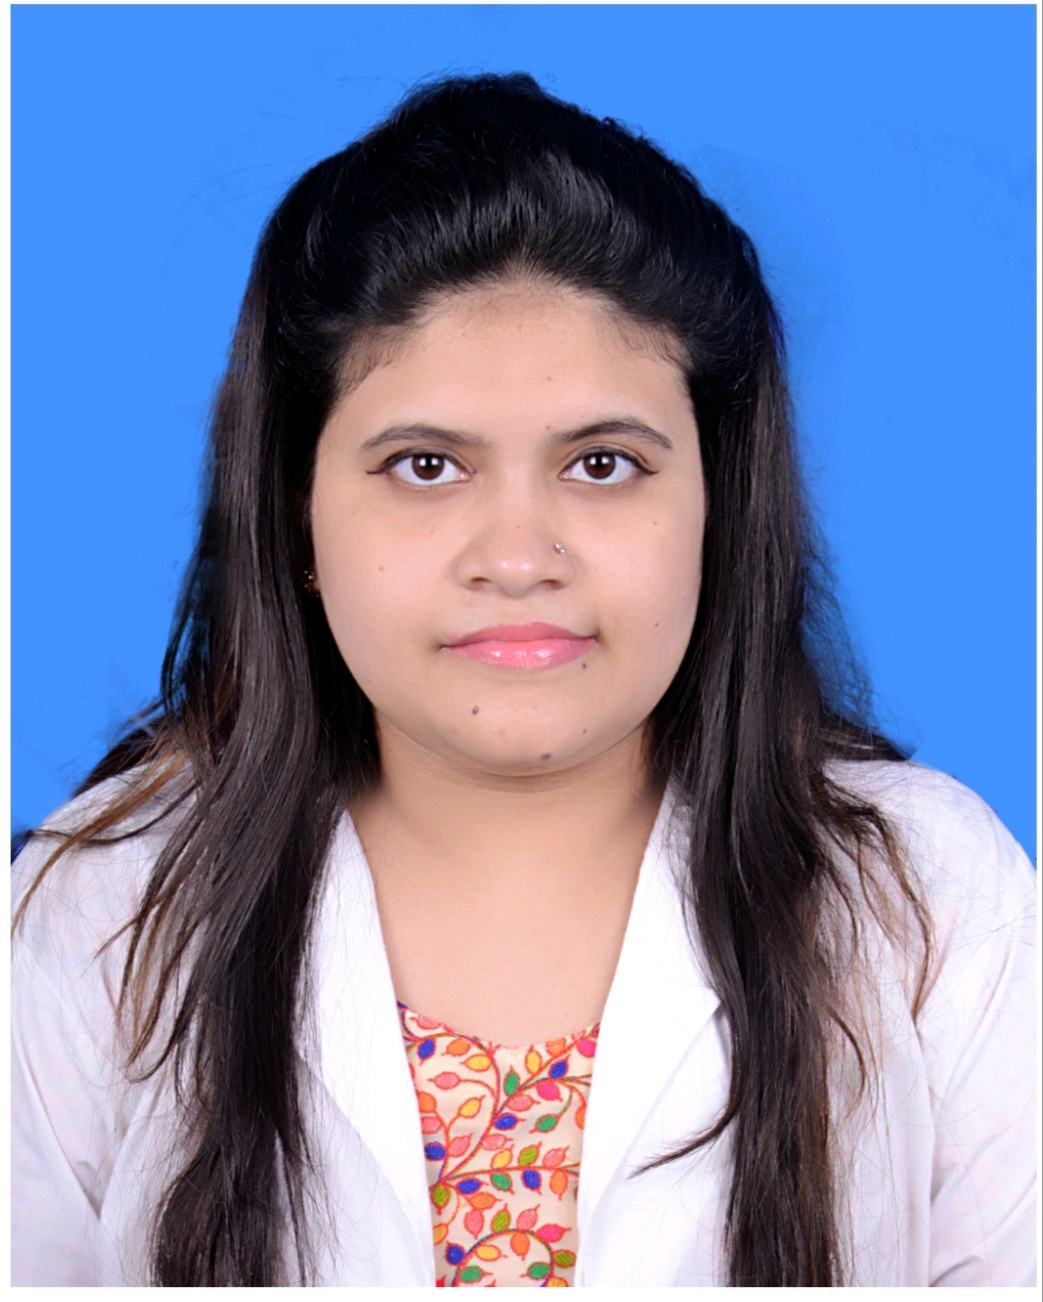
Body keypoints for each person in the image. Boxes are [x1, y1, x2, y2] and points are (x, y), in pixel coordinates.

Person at [10, 73, 1035, 1288]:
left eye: (601, 464)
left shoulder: (930, 905)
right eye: (425, 465)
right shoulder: (102, 914)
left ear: (717, 504)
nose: (515, 558)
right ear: (297, 514)